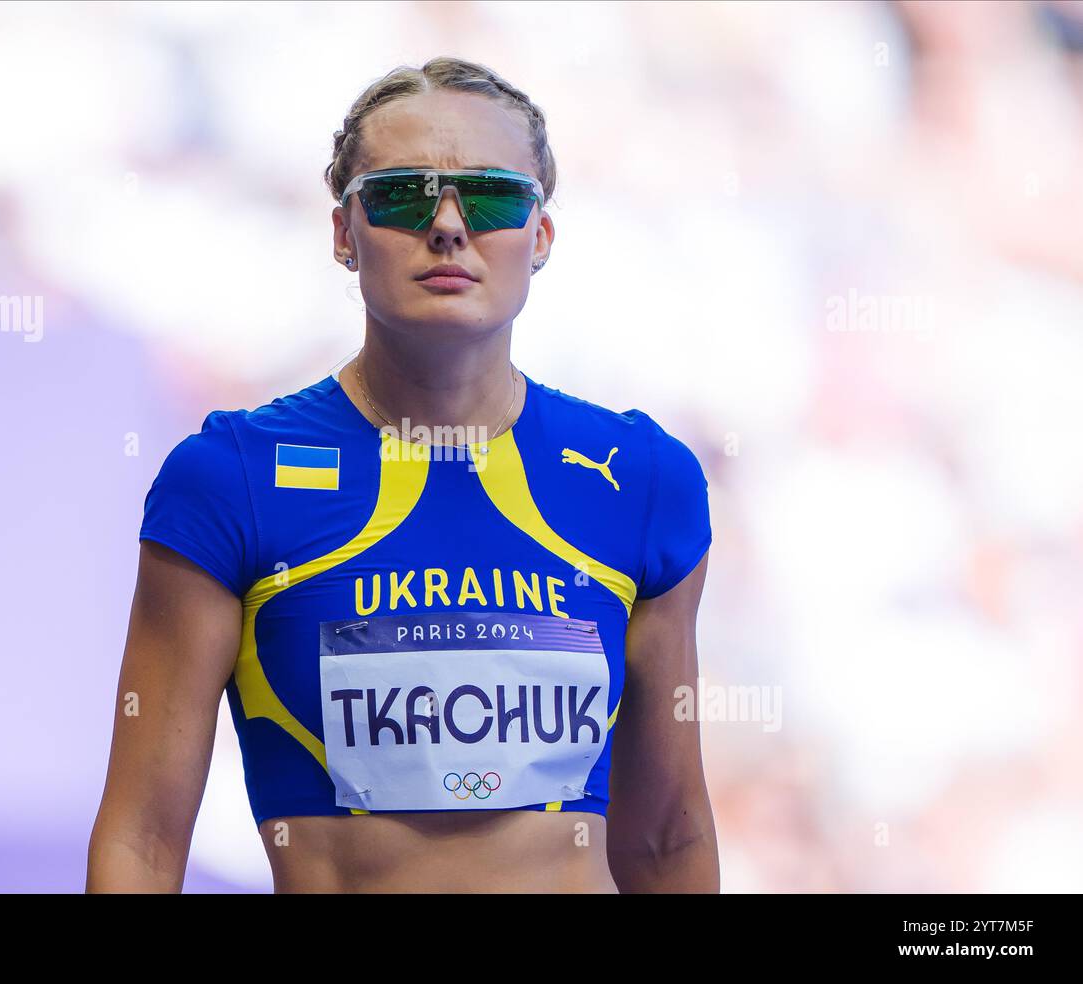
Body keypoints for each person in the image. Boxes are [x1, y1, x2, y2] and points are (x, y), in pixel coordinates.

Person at [87, 56, 719, 894]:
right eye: (401, 196)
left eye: (491, 195)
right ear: (344, 232)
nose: (449, 226)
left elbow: (668, 840)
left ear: (541, 237)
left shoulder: (642, 481)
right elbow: (142, 840)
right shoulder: (229, 479)